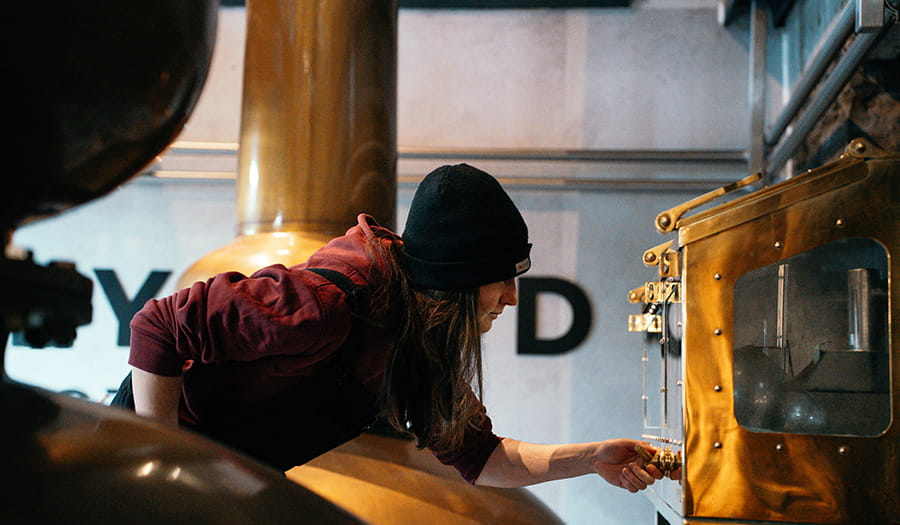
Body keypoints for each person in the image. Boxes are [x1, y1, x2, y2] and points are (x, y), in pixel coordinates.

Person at [124, 163, 674, 492]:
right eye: (499, 279)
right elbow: (159, 326)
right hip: (139, 468)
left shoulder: (415, 346)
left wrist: (591, 457)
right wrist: (161, 461)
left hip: (223, 475)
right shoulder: (325, 303)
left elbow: (484, 459)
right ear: (455, 280)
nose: (511, 298)